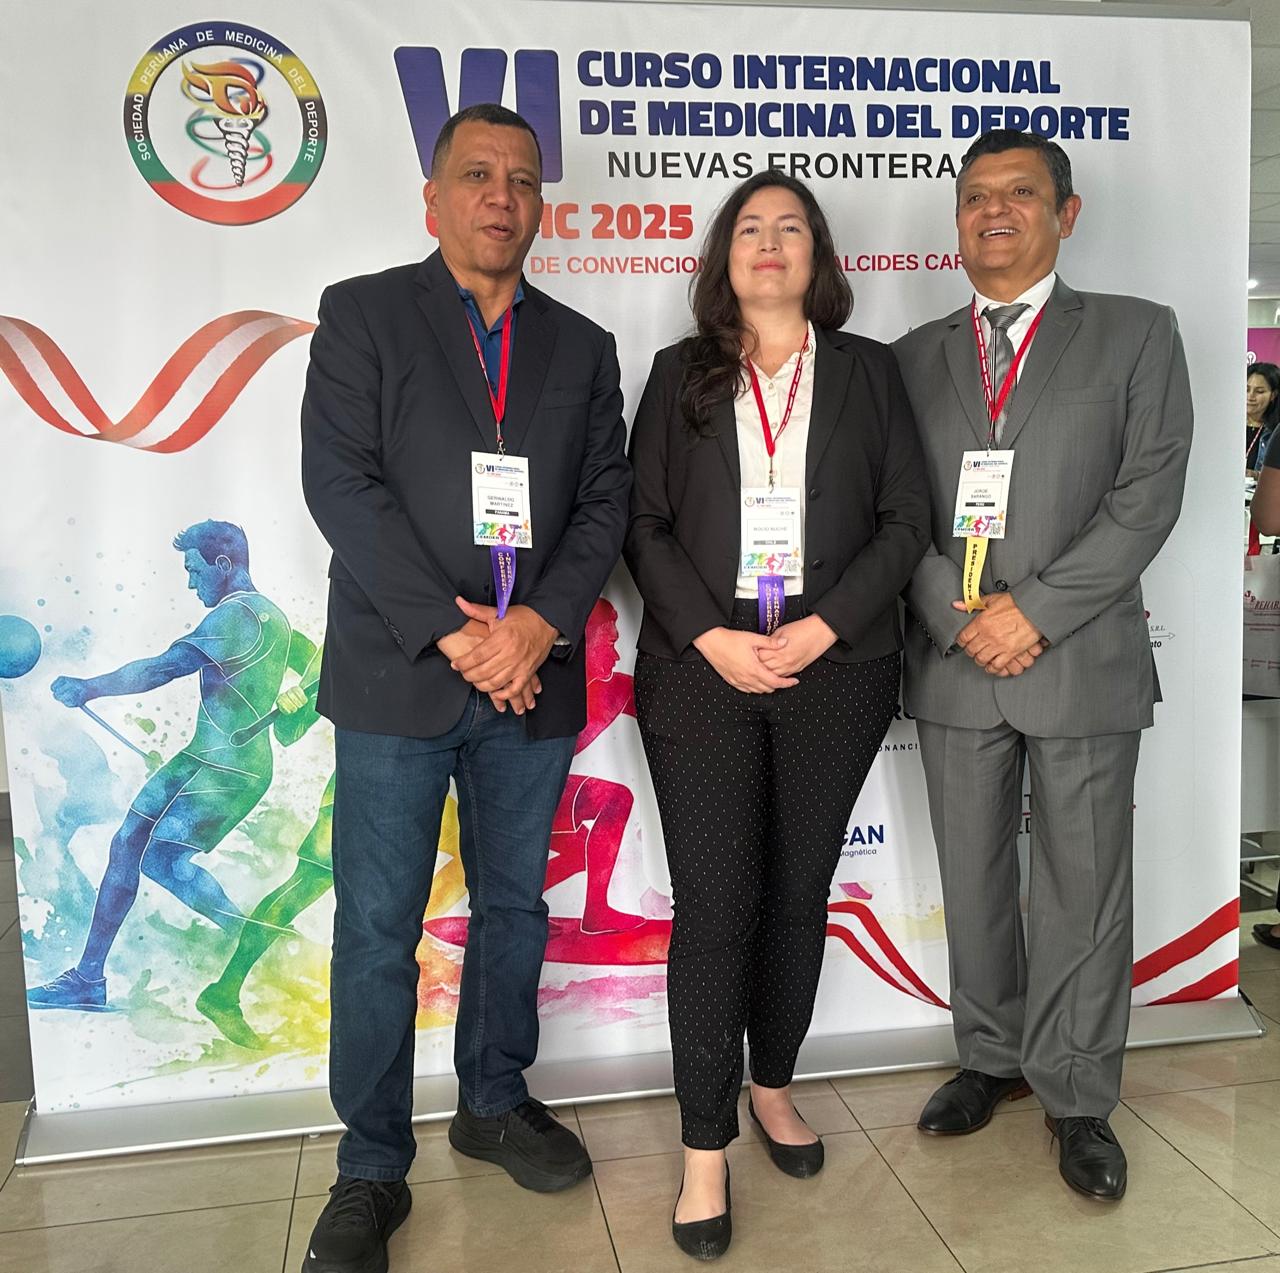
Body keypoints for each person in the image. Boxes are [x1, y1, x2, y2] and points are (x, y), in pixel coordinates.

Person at [299, 102, 630, 1273]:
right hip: (399, 675)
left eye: (522, 179)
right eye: (478, 174)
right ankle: (369, 1164)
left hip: (528, 678)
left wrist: (534, 625)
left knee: (514, 910)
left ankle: (492, 1101)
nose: (501, 196)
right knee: (377, 929)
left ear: (541, 206)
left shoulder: (582, 346)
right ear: (432, 197)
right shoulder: (363, 314)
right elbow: (340, 487)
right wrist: (456, 632)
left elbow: (605, 502)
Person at [625, 170, 930, 1260]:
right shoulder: (680, 374)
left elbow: (905, 518)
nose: (769, 242)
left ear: (817, 255)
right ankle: (704, 1148)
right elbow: (644, 523)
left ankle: (773, 1085)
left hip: (835, 670)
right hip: (699, 673)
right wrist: (713, 637)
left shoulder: (867, 371)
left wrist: (823, 627)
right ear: (724, 257)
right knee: (716, 906)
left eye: (789, 227)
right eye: (749, 228)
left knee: (799, 892)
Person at [894, 129, 1192, 1202]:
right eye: (975, 195)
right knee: (972, 880)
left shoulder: (1136, 333)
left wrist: (1035, 613)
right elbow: (894, 509)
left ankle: (1076, 1092)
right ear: (956, 220)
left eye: (1019, 193)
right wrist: (957, 612)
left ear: (1065, 214)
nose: (994, 211)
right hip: (956, 660)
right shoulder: (909, 356)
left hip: (1079, 657)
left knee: (1082, 888)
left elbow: (1146, 496)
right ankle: (989, 1057)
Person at [28, 520, 294, 1010]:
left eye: (194, 571)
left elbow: (162, 668)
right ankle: (89, 979)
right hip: (205, 757)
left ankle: (267, 948)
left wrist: (89, 688)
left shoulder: (237, 615)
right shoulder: (270, 615)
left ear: (222, 564)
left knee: (152, 855)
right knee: (133, 846)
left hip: (228, 767)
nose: (191, 583)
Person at [1247, 362, 1280, 478]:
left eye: (1259, 391)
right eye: (1246, 389)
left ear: (1273, 395)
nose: (1250, 396)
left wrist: (1256, 475)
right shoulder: (1227, 427)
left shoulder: (1275, 432)